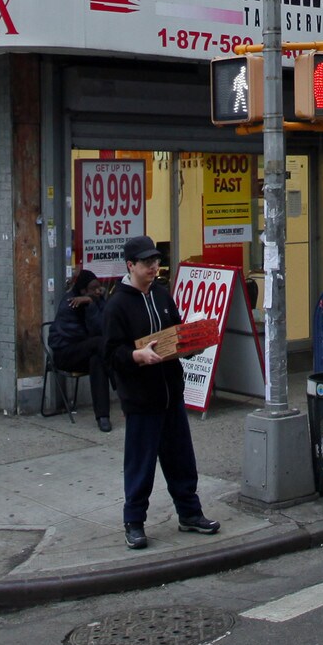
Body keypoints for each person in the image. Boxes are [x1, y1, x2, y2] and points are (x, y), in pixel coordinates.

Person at [101, 235, 219, 551]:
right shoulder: (117, 306)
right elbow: (111, 355)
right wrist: (136, 357)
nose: (154, 267)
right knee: (140, 464)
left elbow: (176, 336)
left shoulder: (163, 296)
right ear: (130, 265)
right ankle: (134, 522)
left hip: (171, 393)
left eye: (155, 261)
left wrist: (193, 345)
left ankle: (190, 514)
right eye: (146, 262)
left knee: (181, 459)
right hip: (141, 399)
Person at [47, 267, 112, 432]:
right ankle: (120, 381)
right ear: (83, 290)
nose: (98, 291)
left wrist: (94, 302)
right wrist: (91, 305)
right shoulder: (70, 303)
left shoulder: (96, 300)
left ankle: (103, 416)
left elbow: (105, 327)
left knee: (98, 359)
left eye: (99, 287)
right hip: (65, 354)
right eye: (93, 289)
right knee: (99, 344)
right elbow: (89, 333)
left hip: (87, 351)